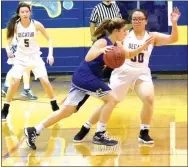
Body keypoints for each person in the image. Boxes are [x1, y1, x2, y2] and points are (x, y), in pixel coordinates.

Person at [24, 18, 154, 150]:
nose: (127, 32)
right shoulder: (103, 41)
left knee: (66, 111)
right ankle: (100, 134)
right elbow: (88, 57)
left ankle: (34, 130)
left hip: (87, 78)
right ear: (116, 31)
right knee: (112, 100)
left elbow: (129, 54)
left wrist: (143, 46)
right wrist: (101, 51)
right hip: (86, 77)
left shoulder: (118, 44)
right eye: (124, 30)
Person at [74, 7, 181, 144]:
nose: (137, 21)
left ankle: (144, 132)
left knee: (149, 98)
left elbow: (173, 38)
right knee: (111, 102)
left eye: (140, 19)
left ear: (146, 21)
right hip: (123, 71)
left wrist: (174, 23)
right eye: (134, 19)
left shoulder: (152, 36)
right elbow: (126, 53)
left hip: (141, 72)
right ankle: (86, 126)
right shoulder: (123, 36)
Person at [1, 2, 59, 121]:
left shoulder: (36, 24)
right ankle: (5, 108)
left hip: (35, 57)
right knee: (15, 82)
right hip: (21, 58)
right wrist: (8, 51)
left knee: (45, 82)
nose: (25, 14)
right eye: (22, 12)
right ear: (19, 13)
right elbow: (7, 42)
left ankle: (54, 105)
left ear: (30, 12)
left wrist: (50, 54)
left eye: (27, 11)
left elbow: (49, 40)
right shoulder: (15, 26)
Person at [2, 35, 38, 100]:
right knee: (17, 69)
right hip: (16, 53)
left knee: (26, 69)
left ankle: (6, 88)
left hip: (24, 52)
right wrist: (8, 52)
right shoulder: (14, 31)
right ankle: (6, 88)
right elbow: (7, 43)